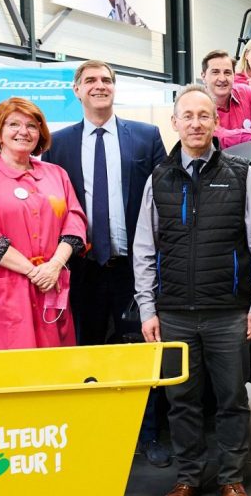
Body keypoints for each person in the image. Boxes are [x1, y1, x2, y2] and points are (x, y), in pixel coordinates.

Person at [133, 88, 251, 496]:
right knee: (182, 401)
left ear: (216, 123)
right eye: (187, 116)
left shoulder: (240, 174)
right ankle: (188, 476)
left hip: (228, 312)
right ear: (174, 123)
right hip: (174, 312)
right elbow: (145, 248)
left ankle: (231, 477)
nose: (196, 123)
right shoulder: (158, 178)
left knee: (232, 399)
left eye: (204, 116)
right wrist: (147, 308)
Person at [43, 60, 171, 466]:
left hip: (134, 267)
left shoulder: (145, 137)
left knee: (140, 351)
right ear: (77, 90)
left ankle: (149, 433)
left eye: (107, 80)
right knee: (88, 352)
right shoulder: (57, 144)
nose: (100, 86)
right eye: (91, 81)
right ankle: (97, 433)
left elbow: (165, 198)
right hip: (81, 269)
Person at [0, 98, 87, 351]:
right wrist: (33, 272)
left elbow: (75, 222)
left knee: (52, 371)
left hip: (50, 285)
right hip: (2, 293)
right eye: (13, 124)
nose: (23, 132)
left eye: (32, 125)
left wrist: (54, 266)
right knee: (3, 372)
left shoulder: (56, 174)